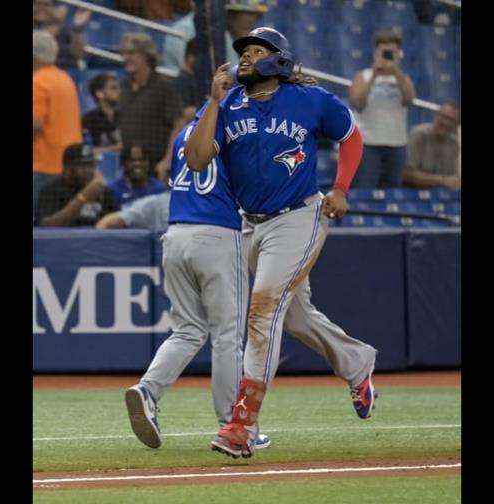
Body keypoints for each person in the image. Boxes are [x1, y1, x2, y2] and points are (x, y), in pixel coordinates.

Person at [185, 27, 378, 459]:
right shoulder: (228, 103)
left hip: (299, 216)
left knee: (264, 309)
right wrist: (213, 103)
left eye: (257, 50)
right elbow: (197, 160)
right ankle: (356, 361)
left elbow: (351, 136)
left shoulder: (310, 99)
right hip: (249, 224)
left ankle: (242, 424)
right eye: (244, 52)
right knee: (293, 316)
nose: (247, 57)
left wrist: (342, 187)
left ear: (280, 59)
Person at [123, 120, 271, 451]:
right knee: (227, 335)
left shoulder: (184, 134)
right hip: (216, 233)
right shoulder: (236, 133)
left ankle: (148, 389)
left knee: (188, 330)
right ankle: (235, 424)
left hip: (175, 235)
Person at [348, 31, 417, 188]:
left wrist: (396, 71)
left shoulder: (403, 78)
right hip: (368, 143)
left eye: (391, 52)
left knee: (393, 191)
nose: (387, 55)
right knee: (365, 189)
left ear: (398, 54)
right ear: (375, 53)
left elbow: (409, 99)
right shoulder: (363, 76)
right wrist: (374, 74)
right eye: (384, 52)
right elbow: (357, 103)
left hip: (396, 144)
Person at [116, 32, 187, 181]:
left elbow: (179, 125)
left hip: (157, 166)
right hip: (129, 167)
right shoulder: (123, 87)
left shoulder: (164, 87)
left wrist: (167, 161)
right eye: (123, 53)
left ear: (146, 55)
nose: (125, 58)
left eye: (131, 53)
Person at [33, 30, 82, 208]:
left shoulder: (38, 81)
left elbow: (35, 124)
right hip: (67, 163)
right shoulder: (65, 78)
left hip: (43, 164)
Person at [162, 0, 268, 76]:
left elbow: (235, 70)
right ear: (229, 13)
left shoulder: (222, 33)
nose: (251, 20)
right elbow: (188, 72)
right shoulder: (182, 29)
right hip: (184, 91)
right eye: (246, 13)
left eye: (255, 15)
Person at [36, 143, 118, 227]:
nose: (89, 171)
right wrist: (83, 197)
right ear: (68, 169)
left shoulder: (101, 191)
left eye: (92, 165)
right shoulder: (51, 191)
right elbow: (47, 225)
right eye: (84, 166)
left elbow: (118, 221)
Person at [402, 102, 461, 189]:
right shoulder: (418, 134)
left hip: (439, 194)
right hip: (411, 192)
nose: (445, 122)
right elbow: (407, 174)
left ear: (457, 125)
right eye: (443, 117)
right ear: (435, 116)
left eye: (451, 120)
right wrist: (442, 180)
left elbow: (451, 179)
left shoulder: (454, 144)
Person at [32, 0, 90, 69]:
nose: (41, 8)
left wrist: (78, 28)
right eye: (38, 4)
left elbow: (79, 54)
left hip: (62, 73)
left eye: (46, 5)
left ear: (54, 8)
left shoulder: (64, 31)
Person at [106, 144, 168, 208]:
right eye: (132, 160)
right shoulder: (113, 188)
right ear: (124, 163)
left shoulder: (159, 190)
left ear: (149, 163)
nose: (137, 164)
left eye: (142, 160)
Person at [81, 74, 122, 153]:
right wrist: (116, 148)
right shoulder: (89, 120)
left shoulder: (126, 117)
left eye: (120, 88)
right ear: (99, 93)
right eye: (114, 88)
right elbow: (85, 151)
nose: (119, 91)